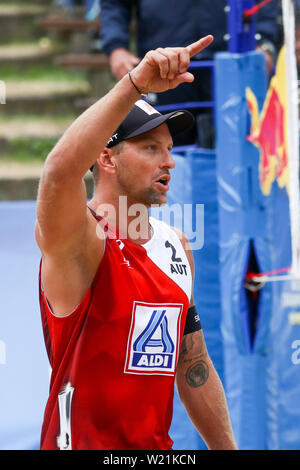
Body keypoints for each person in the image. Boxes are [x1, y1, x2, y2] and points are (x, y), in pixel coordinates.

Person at [35, 34, 238, 450]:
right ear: (107, 159)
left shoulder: (176, 247)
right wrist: (135, 83)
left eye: (168, 148)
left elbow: (193, 366)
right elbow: (58, 174)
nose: (168, 161)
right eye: (149, 147)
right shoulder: (81, 238)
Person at [100, 0, 280, 146]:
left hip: (233, 67)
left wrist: (264, 42)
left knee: (236, 153)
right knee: (162, 153)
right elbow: (114, 4)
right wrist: (116, 47)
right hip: (162, 69)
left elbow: (267, 5)